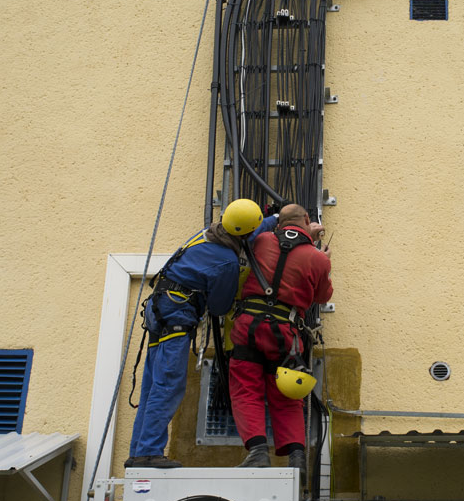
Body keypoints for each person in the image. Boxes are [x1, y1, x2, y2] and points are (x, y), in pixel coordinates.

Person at [125, 199, 276, 469]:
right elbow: (219, 307)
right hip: (177, 316)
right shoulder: (227, 262)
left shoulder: (211, 232)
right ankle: (148, 453)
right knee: (169, 384)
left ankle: (139, 452)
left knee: (152, 386)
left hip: (160, 309)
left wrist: (274, 219)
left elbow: (246, 233)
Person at [229, 203, 333, 472]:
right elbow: (322, 296)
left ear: (278, 223)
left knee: (246, 388)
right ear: (307, 219)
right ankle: (296, 458)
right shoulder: (318, 259)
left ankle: (257, 452)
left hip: (249, 325)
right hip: (286, 333)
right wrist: (322, 256)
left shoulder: (262, 239)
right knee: (287, 395)